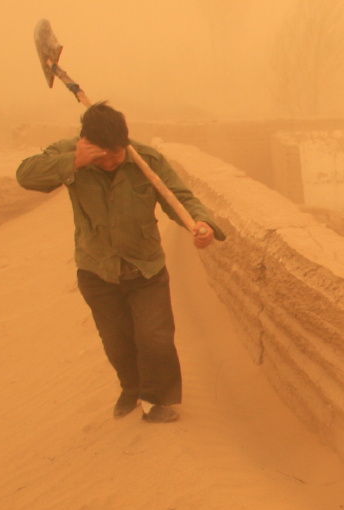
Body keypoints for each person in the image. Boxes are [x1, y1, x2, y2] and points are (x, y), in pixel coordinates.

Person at [16, 102, 223, 423]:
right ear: (86, 144)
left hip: (146, 268)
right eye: (102, 157)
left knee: (155, 338)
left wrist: (201, 223)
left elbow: (180, 198)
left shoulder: (147, 160)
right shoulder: (70, 154)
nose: (110, 162)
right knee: (117, 342)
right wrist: (73, 162)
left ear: (125, 143)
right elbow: (25, 176)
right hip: (97, 270)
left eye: (116, 154)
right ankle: (131, 389)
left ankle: (156, 401)